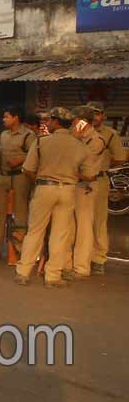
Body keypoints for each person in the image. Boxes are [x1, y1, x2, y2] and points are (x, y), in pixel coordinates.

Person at [15, 107, 94, 288]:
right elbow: (90, 175)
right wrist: (70, 175)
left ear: (56, 122)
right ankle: (53, 277)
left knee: (35, 231)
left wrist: (41, 180)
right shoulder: (80, 145)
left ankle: (23, 272)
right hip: (68, 191)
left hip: (44, 189)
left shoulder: (42, 142)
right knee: (60, 234)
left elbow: (28, 169)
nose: (47, 123)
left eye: (49, 120)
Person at [0, 105, 36, 261]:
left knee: (20, 213)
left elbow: (35, 154)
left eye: (6, 116)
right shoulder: (3, 135)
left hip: (20, 177)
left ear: (15, 118)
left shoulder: (28, 135)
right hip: (3, 177)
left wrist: (20, 160)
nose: (4, 119)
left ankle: (19, 249)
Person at [66, 106, 106, 280]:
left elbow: (80, 159)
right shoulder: (73, 135)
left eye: (75, 120)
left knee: (84, 227)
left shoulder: (96, 140)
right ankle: (68, 264)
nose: (72, 123)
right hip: (71, 184)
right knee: (69, 227)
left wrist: (75, 138)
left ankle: (82, 267)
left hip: (86, 186)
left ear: (83, 121)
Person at [87, 101, 127, 275]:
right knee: (76, 221)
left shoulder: (110, 134)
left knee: (98, 221)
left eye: (97, 113)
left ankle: (98, 259)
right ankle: (79, 258)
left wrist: (102, 165)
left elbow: (119, 159)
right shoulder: (77, 132)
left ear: (103, 116)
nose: (94, 117)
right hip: (77, 181)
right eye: (90, 113)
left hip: (99, 180)